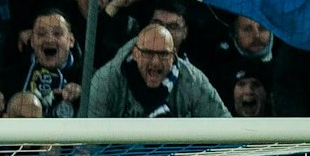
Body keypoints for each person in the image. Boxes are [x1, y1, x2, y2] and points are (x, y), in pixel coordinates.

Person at [77, 24, 230, 118]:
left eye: (164, 54)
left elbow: (225, 125)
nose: (155, 62)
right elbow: (85, 145)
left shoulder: (193, 80)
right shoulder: (105, 80)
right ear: (135, 54)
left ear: (173, 56)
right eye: (148, 53)